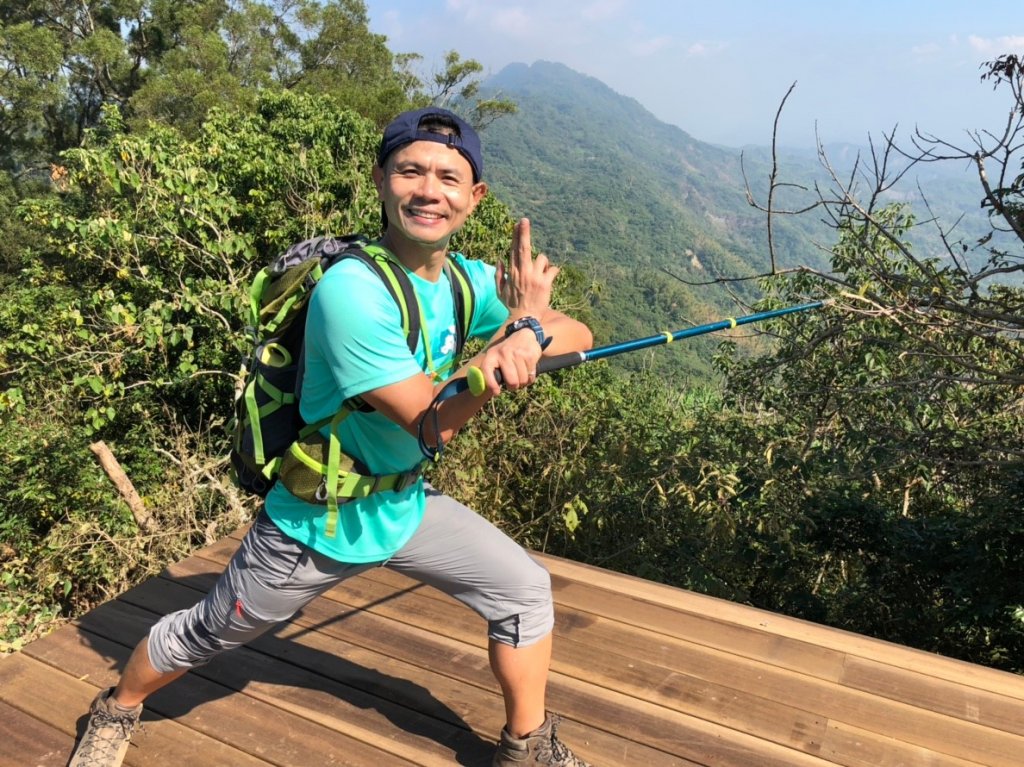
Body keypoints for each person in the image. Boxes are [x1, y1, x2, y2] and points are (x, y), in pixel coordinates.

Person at [68, 106, 595, 767]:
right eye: (410, 170)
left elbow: (578, 333)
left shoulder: (463, 280)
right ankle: (116, 706)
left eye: (448, 177)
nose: (429, 190)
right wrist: (496, 361)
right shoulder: (353, 290)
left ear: (474, 198)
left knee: (522, 589)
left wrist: (527, 328)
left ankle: (527, 745)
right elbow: (432, 421)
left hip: (401, 502)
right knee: (206, 632)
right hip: (315, 521)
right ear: (380, 181)